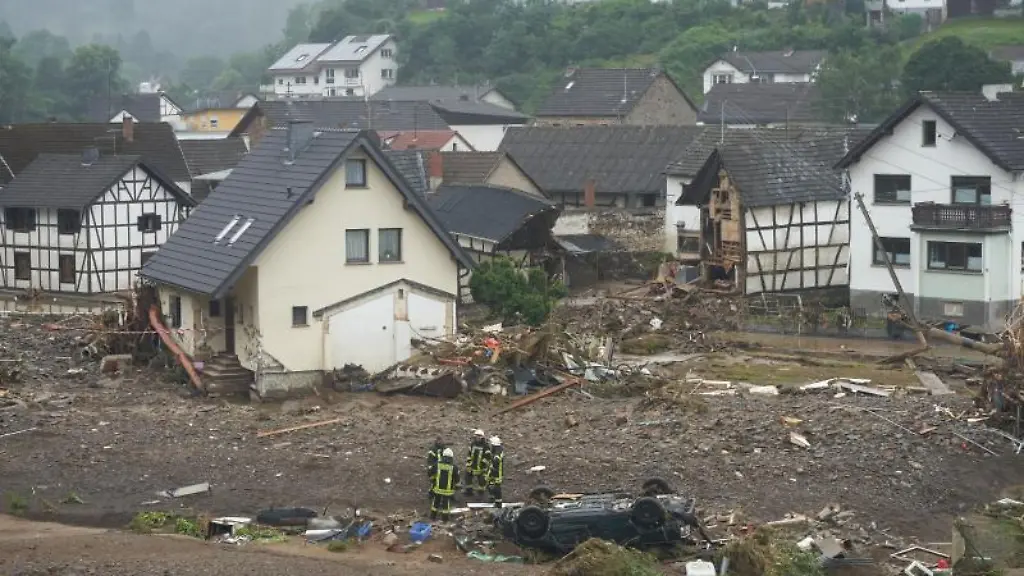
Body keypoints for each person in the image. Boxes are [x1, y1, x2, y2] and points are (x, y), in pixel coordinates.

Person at [429, 447, 459, 521]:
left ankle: (432, 517)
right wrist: (456, 485)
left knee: (435, 503)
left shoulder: (437, 464)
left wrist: (433, 480)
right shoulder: (454, 467)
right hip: (447, 490)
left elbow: (430, 472)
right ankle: (445, 519)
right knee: (445, 505)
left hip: (437, 489)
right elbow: (457, 478)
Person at [464, 429, 489, 496]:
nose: (477, 438)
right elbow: (469, 455)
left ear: (482, 437)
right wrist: (468, 465)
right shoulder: (472, 444)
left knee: (482, 481)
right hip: (472, 466)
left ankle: (481, 494)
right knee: (467, 477)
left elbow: (487, 457)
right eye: (476, 436)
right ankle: (469, 492)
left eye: (478, 436)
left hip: (481, 468)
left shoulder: (486, 446)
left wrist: (483, 465)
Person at [486, 436, 504, 509]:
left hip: (497, 473)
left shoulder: (497, 453)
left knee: (497, 488)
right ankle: (493, 498)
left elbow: (496, 461)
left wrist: (491, 466)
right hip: (495, 472)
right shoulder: (498, 450)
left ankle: (498, 503)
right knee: (490, 484)